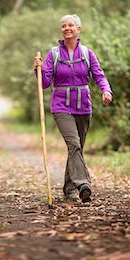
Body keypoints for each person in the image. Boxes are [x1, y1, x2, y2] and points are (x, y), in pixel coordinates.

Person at [33, 14, 112, 203]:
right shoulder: (54, 54)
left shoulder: (87, 53)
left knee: (77, 148)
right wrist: (39, 69)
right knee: (74, 144)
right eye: (63, 26)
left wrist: (106, 90)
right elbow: (44, 84)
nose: (66, 28)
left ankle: (69, 188)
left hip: (83, 106)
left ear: (78, 29)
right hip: (61, 106)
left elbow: (99, 75)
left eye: (70, 25)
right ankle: (83, 184)